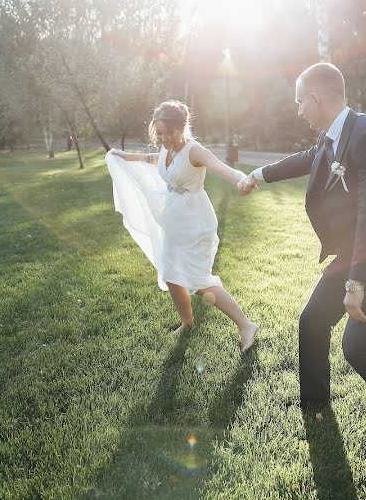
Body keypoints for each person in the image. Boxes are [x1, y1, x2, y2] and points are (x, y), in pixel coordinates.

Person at [238, 63, 366, 450]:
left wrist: (355, 284)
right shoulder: (333, 135)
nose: (298, 111)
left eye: (299, 103)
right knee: (312, 320)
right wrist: (259, 174)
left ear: (315, 98)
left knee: (357, 347)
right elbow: (308, 158)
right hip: (355, 250)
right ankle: (315, 405)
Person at [106, 100, 258, 352]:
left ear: (180, 128)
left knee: (198, 281)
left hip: (194, 224)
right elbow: (154, 158)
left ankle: (246, 325)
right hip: (173, 221)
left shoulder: (193, 150)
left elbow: (222, 168)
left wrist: (242, 180)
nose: (161, 138)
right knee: (170, 273)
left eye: (165, 133)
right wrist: (124, 156)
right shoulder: (168, 148)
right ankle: (187, 323)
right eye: (159, 133)